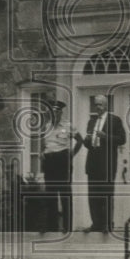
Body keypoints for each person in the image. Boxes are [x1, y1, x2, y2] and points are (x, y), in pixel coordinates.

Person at [82, 94, 126, 233]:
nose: (97, 107)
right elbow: (88, 144)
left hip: (107, 164)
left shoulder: (115, 120)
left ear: (106, 106)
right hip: (93, 163)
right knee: (93, 196)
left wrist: (105, 137)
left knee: (106, 194)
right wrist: (87, 140)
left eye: (100, 104)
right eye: (95, 105)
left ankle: (107, 225)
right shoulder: (91, 121)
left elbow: (122, 139)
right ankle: (96, 224)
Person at [40, 99, 81, 233]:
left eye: (57, 112)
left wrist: (71, 155)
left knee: (65, 194)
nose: (54, 114)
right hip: (49, 162)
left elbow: (80, 141)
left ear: (61, 113)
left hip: (62, 161)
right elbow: (43, 143)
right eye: (52, 112)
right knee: (50, 194)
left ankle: (67, 227)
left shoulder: (68, 126)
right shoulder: (46, 126)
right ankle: (52, 227)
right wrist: (42, 153)